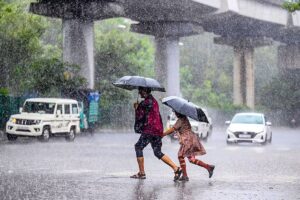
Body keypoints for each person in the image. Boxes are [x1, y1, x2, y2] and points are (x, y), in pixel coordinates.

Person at [130, 87, 182, 181]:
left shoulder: (146, 103)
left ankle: (142, 173)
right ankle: (176, 168)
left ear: (145, 91)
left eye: (140, 91)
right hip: (157, 130)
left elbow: (140, 116)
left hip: (149, 130)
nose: (139, 93)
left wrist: (136, 108)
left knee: (138, 147)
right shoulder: (154, 101)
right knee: (157, 152)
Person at [163, 111, 215, 181]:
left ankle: (185, 176)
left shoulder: (181, 120)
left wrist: (163, 134)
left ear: (179, 113)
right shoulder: (184, 118)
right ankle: (208, 167)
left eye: (176, 112)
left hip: (187, 140)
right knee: (191, 159)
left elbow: (173, 129)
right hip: (191, 139)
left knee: (181, 155)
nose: (175, 114)